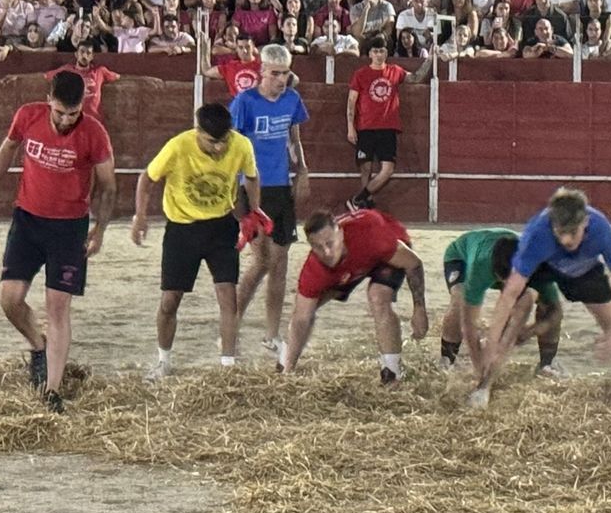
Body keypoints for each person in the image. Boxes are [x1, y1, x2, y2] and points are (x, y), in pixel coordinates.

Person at [0, 71, 117, 413]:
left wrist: (99, 229)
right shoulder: (28, 116)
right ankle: (38, 344)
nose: (66, 120)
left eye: (73, 113)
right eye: (60, 112)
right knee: (10, 300)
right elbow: (7, 149)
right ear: (49, 101)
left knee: (58, 307)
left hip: (70, 228)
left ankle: (52, 391)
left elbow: (108, 185)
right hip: (27, 220)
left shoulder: (94, 133)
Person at [473, 187, 611, 409]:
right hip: (544, 266)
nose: (567, 240)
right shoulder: (537, 233)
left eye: (572, 232)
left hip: (582, 270)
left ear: (585, 222)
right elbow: (509, 293)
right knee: (518, 313)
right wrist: (491, 343)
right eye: (560, 232)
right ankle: (484, 387)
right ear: (552, 225)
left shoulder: (600, 228)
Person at [130, 103, 261, 378]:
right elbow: (147, 178)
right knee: (170, 300)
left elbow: (252, 177)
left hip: (221, 226)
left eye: (224, 141)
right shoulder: (178, 146)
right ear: (198, 131)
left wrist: (254, 213)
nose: (219, 148)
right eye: (213, 142)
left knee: (228, 298)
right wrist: (140, 216)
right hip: (182, 228)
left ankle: (228, 366)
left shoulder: (241, 144)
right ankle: (163, 361)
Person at [281, 208, 429, 383]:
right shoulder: (314, 269)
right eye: (318, 247)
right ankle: (286, 360)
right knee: (307, 308)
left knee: (377, 295)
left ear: (341, 234)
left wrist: (419, 309)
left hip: (385, 254)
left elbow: (413, 263)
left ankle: (391, 372)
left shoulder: (372, 234)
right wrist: (287, 372)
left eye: (330, 243)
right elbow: (301, 318)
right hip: (352, 266)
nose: (327, 253)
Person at [230, 45, 310, 356]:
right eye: (274, 73)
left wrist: (301, 169)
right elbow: (232, 146)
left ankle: (272, 334)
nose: (280, 79)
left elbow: (294, 137)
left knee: (279, 263)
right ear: (261, 71)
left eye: (284, 73)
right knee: (260, 261)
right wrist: (235, 194)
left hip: (280, 186)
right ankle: (231, 326)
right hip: (251, 187)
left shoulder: (292, 99)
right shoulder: (244, 102)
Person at [437, 227, 564, 378]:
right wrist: (479, 366)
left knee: (545, 304)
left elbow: (556, 311)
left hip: (504, 260)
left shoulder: (538, 267)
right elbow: (468, 321)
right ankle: (447, 359)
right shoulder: (480, 266)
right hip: (460, 256)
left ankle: (547, 363)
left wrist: (531, 331)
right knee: (459, 299)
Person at [346, 36, 434, 209]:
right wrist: (351, 127)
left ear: (386, 52)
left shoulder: (395, 71)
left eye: (382, 51)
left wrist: (430, 58)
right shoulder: (361, 74)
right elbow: (351, 102)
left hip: (388, 127)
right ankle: (365, 204)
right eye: (375, 51)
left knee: (387, 170)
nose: (379, 54)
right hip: (366, 127)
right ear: (370, 54)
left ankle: (357, 199)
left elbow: (416, 78)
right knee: (366, 168)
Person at [45, 40, 119, 119]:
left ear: (92, 56)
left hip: (94, 119)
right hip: (72, 119)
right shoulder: (67, 70)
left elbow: (118, 77)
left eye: (88, 53)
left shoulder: (100, 71)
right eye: (82, 52)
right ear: (76, 54)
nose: (84, 55)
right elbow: (47, 76)